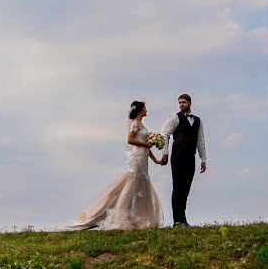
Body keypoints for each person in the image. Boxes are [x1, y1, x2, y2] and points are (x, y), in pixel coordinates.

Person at [66, 101, 166, 230]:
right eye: (145, 108)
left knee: (141, 185)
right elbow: (130, 140)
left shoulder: (141, 125)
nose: (147, 110)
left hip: (143, 158)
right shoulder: (135, 124)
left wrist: (155, 160)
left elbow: (146, 147)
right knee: (132, 184)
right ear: (140, 110)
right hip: (137, 158)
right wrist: (147, 144)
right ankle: (122, 217)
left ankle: (137, 218)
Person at [161, 93, 206, 227]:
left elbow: (200, 141)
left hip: (190, 157)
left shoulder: (198, 121)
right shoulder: (174, 118)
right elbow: (165, 134)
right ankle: (177, 221)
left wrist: (203, 158)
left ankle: (183, 219)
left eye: (184, 102)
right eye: (179, 102)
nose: (181, 105)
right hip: (178, 156)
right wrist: (165, 153)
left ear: (190, 103)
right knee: (178, 187)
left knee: (186, 189)